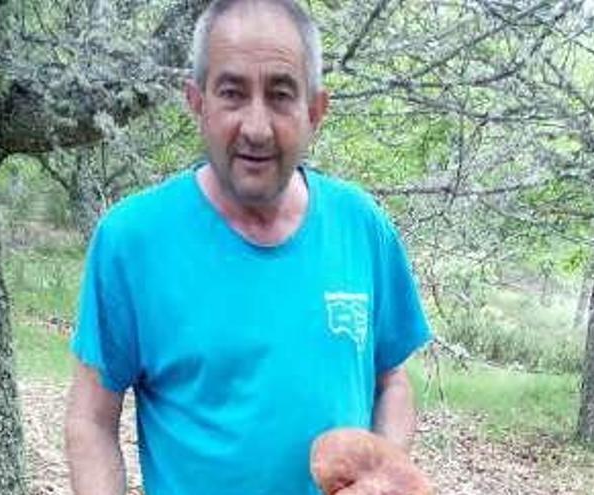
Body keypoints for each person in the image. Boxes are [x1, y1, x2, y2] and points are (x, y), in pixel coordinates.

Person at [64, 0, 431, 493]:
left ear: (315, 110)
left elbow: (392, 381)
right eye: (232, 93)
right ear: (197, 102)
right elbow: (90, 419)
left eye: (281, 95)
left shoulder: (361, 227)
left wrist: (382, 474)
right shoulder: (132, 240)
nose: (256, 127)